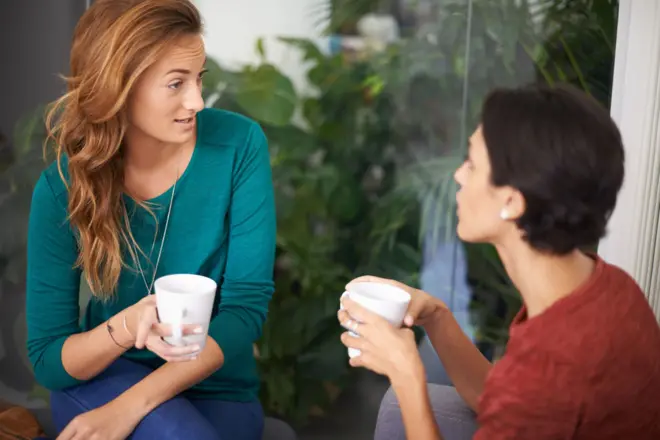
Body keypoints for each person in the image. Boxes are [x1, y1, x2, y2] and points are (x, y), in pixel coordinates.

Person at [338, 83, 660, 439]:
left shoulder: (556, 363)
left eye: (472, 165)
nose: (458, 175)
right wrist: (437, 316)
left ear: (513, 201)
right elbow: (501, 400)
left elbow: (531, 393)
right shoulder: (608, 287)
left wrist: (406, 375)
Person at [25, 1, 275, 439]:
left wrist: (131, 407)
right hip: (106, 376)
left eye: (199, 79)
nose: (196, 101)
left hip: (216, 389)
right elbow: (49, 358)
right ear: (117, 88)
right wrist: (124, 329)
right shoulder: (60, 188)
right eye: (176, 83)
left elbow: (245, 309)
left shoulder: (239, 145)